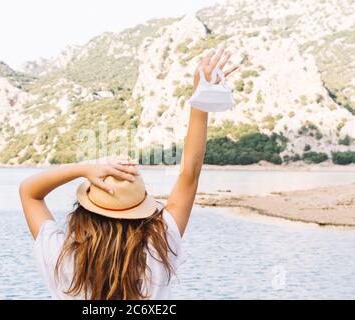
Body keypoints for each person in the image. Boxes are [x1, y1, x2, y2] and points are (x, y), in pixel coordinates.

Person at [19, 47, 239, 299]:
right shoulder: (158, 250)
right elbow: (190, 173)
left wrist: (85, 167)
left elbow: (30, 193)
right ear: (142, 212)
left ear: (85, 210)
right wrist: (201, 99)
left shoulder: (63, 258)